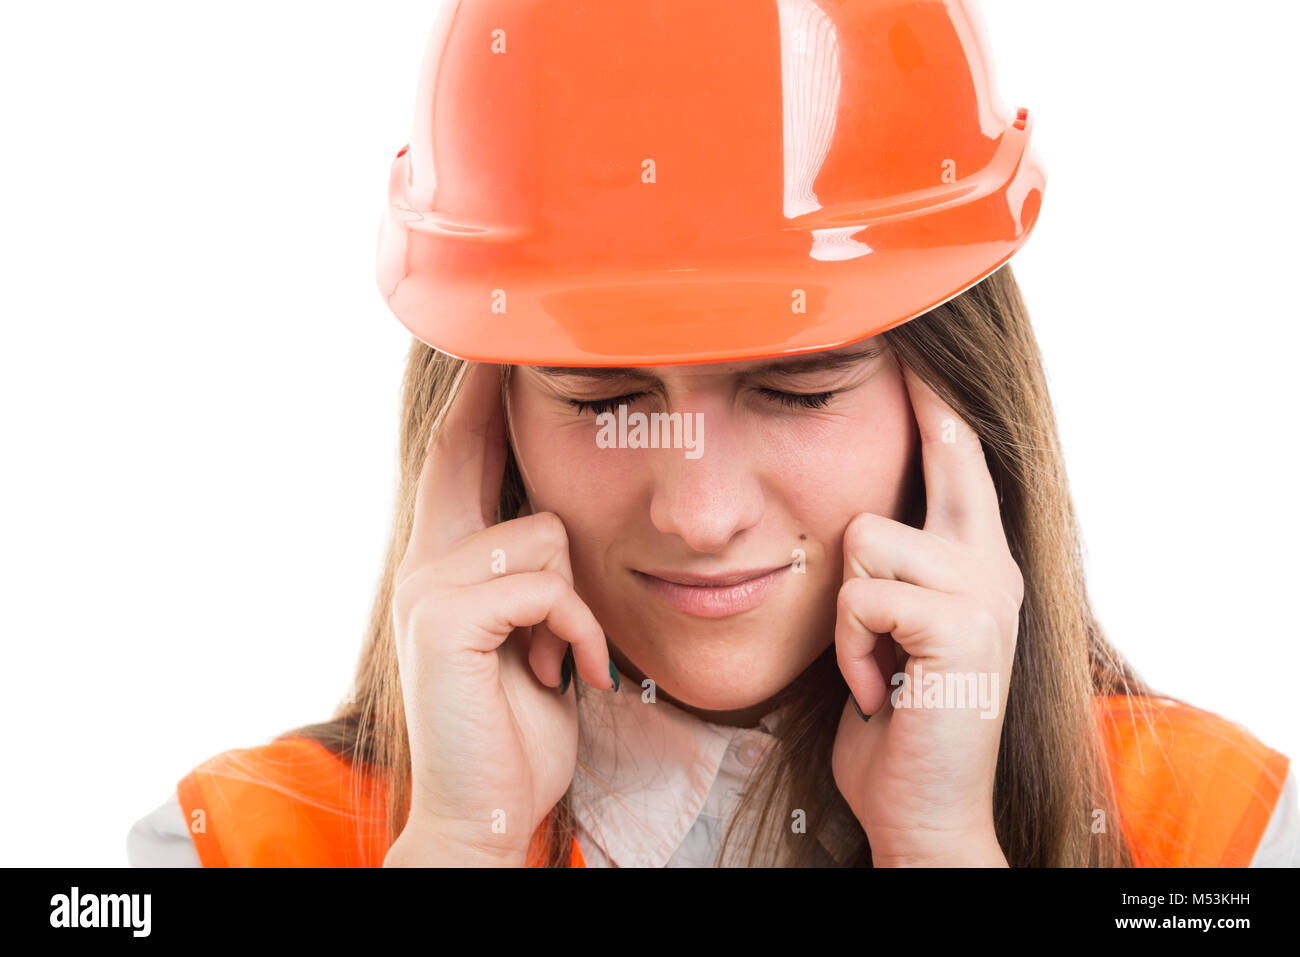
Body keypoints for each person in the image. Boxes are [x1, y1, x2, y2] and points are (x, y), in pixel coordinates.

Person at [129, 0, 1296, 867]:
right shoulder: (238, 845)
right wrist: (460, 841)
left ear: (954, 402)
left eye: (798, 388)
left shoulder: (1214, 833)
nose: (697, 510)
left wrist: (940, 842)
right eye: (599, 399)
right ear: (480, 418)